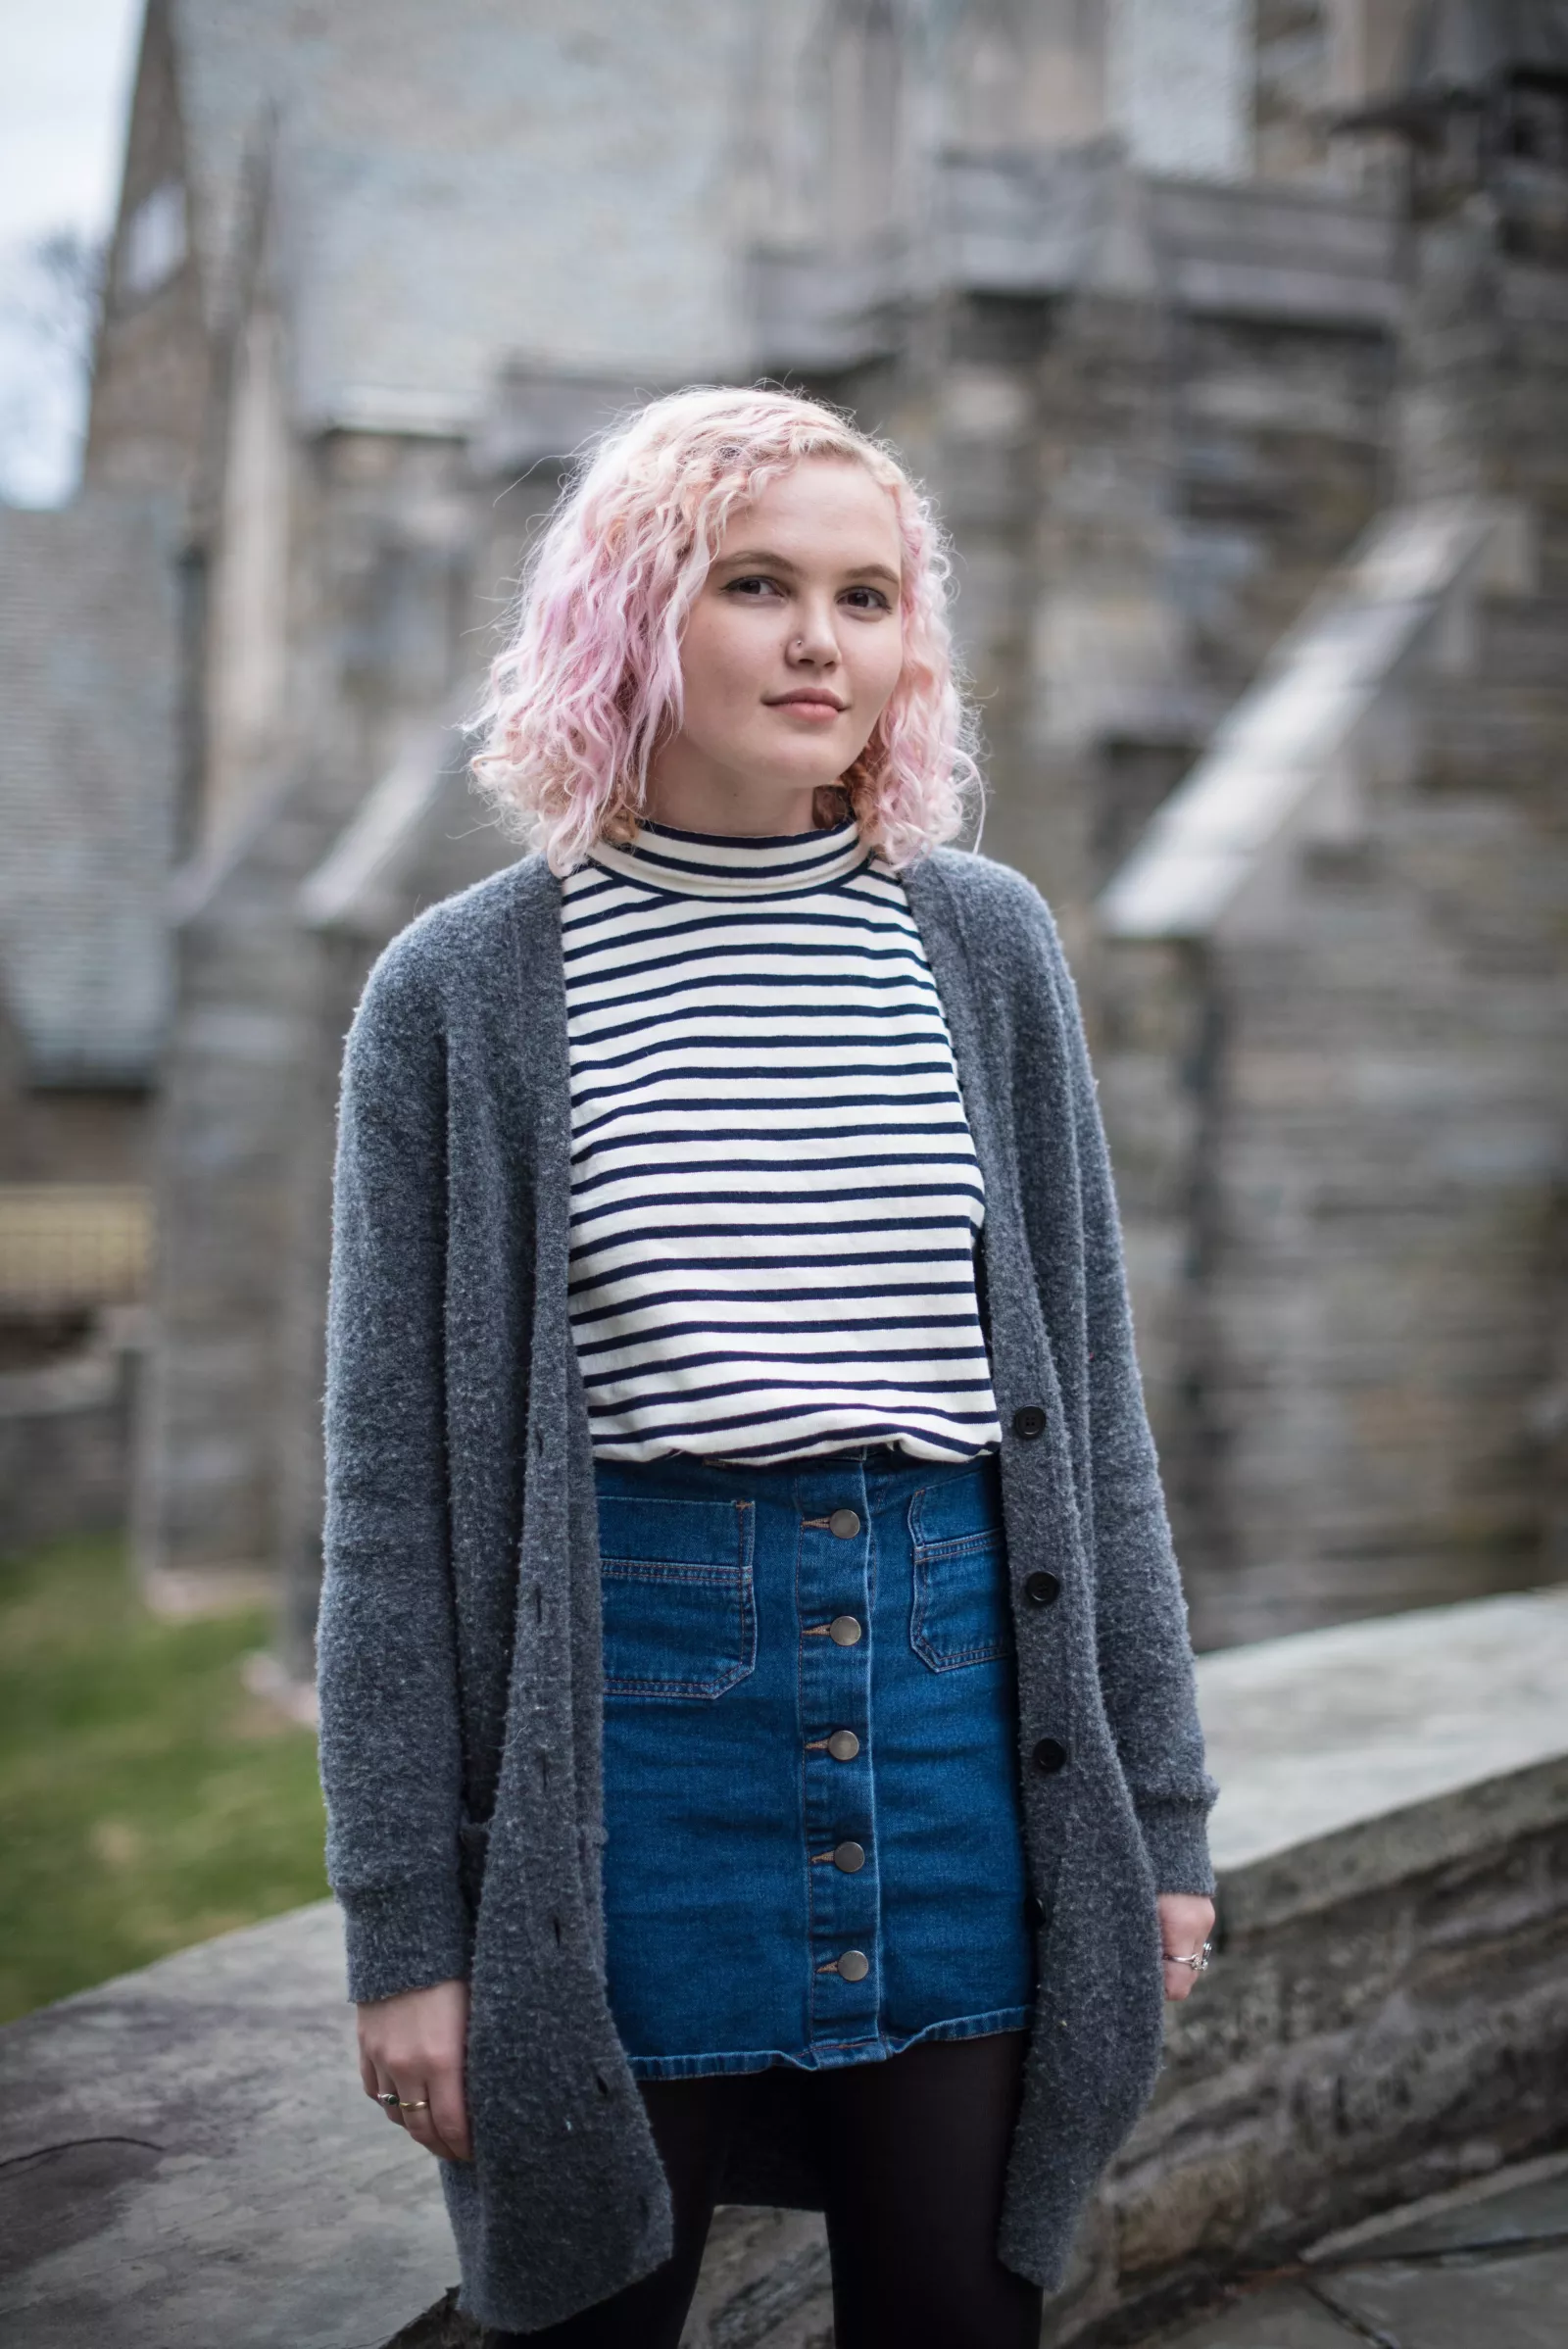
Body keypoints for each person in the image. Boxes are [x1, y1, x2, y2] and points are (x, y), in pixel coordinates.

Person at [317, 386, 1217, 2348]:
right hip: (624, 1766)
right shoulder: (463, 995)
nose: (825, 641)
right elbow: (389, 1502)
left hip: (967, 1739)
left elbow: (1093, 1425)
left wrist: (1155, 1821)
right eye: (756, 585)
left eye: (868, 595)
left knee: (957, 2319)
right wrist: (405, 1932)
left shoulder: (981, 947)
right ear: (629, 615)